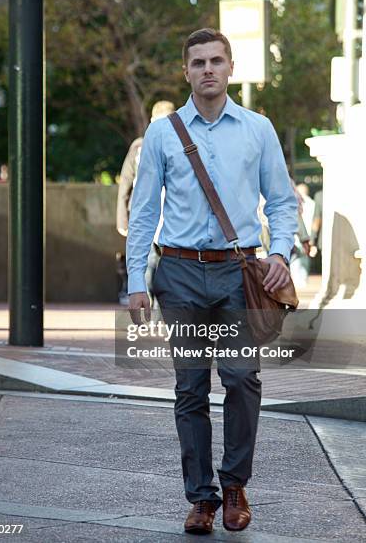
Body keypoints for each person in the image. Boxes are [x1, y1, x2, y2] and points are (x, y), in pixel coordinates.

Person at [127, 28, 297, 534]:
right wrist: (137, 277)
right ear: (186, 71)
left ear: (230, 68)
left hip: (238, 274)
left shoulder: (257, 129)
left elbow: (282, 201)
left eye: (216, 61)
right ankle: (201, 498)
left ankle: (235, 485)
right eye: (198, 62)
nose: (207, 69)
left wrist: (281, 252)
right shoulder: (163, 133)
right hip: (177, 274)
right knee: (191, 389)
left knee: (243, 379)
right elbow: (143, 211)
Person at [116, 101, 175, 305]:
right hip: (146, 216)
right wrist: (123, 220)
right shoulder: (140, 147)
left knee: (165, 268)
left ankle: (158, 307)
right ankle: (148, 302)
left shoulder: (180, 145)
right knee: (148, 264)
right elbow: (126, 181)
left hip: (170, 219)